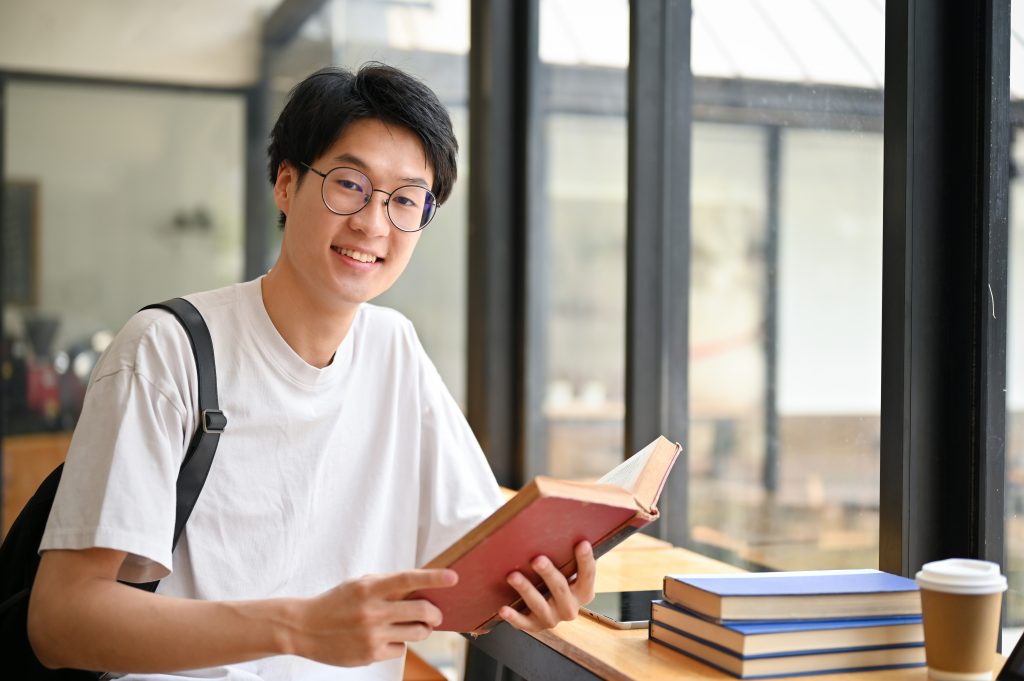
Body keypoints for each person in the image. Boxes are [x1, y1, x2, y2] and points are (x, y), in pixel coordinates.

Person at [27, 63, 596, 680]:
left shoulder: (394, 350)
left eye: (405, 199)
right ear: (285, 183)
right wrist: (297, 627)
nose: (374, 224)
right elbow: (62, 621)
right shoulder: (167, 352)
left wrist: (539, 584)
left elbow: (474, 556)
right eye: (350, 184)